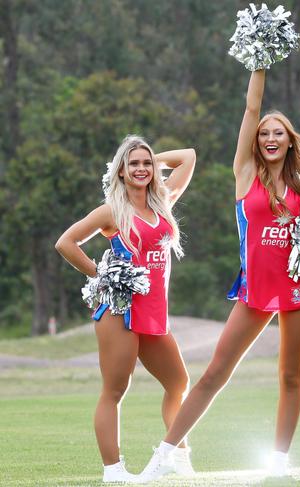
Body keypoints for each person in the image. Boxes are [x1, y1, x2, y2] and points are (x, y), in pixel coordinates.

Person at [137, 69, 300, 481]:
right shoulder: (245, 173)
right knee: (214, 374)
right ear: (257, 141)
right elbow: (252, 107)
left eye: (279, 134)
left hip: (298, 288)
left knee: (291, 376)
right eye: (265, 134)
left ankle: (279, 463)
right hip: (255, 289)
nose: (270, 138)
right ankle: (164, 456)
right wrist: (262, 63)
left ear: (289, 141)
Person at [55, 135, 196, 483]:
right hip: (120, 310)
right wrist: (101, 274)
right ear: (120, 171)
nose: (142, 168)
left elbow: (188, 157)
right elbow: (65, 242)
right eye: (133, 164)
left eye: (146, 164)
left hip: (154, 311)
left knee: (178, 382)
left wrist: (149, 156)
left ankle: (177, 455)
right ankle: (114, 471)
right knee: (115, 390)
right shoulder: (112, 211)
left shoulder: (163, 201)